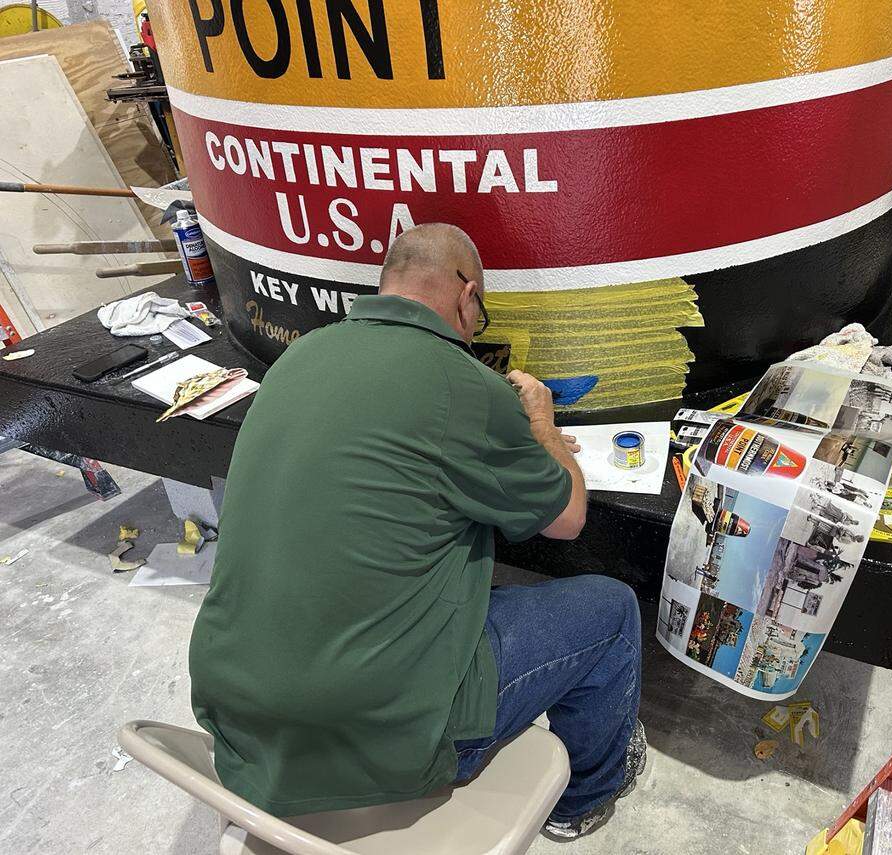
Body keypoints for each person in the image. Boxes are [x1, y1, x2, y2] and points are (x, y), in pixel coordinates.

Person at [188, 223, 644, 842]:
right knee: (611, 611)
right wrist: (541, 420)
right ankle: (581, 801)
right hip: (382, 740)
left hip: (238, 719)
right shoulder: (465, 384)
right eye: (480, 315)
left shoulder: (300, 355)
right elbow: (567, 518)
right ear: (467, 296)